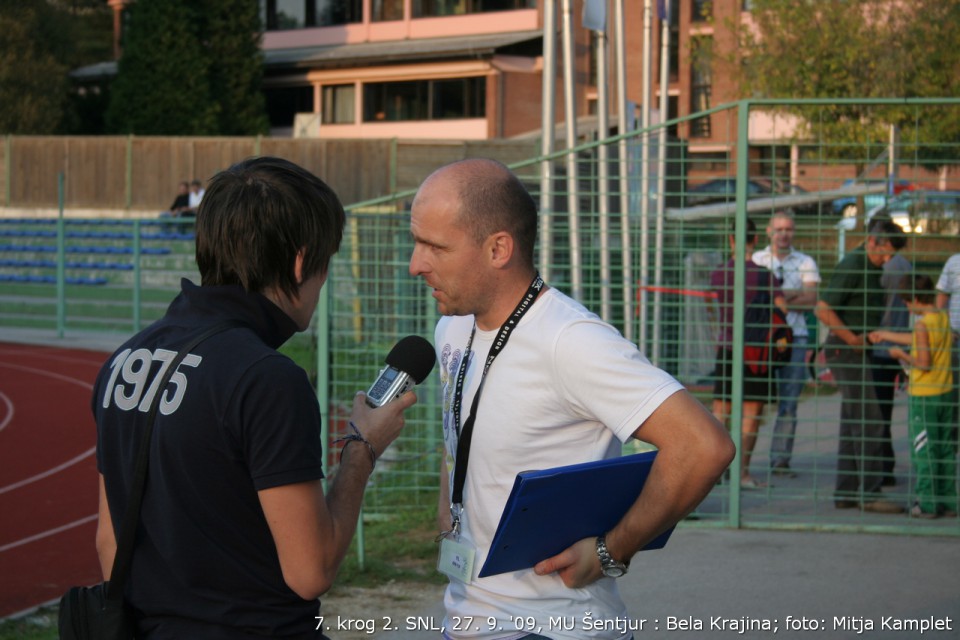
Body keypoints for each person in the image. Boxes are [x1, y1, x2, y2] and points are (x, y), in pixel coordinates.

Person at [408, 158, 734, 640]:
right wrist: (450, 503)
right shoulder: (453, 324)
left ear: (499, 248)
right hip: (468, 617)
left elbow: (704, 446)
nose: (416, 264)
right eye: (416, 242)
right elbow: (464, 431)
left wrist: (612, 551)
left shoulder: (570, 340)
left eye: (435, 246)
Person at [94, 156, 417, 638]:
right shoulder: (267, 379)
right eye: (325, 264)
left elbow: (109, 545)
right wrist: (361, 451)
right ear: (301, 261)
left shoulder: (126, 359)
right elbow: (311, 571)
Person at [814, 217, 906, 514]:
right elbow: (823, 309)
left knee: (855, 419)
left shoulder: (873, 265)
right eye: (885, 252)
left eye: (892, 254)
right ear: (871, 241)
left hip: (860, 350)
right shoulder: (853, 265)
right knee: (870, 419)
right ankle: (870, 491)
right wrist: (851, 337)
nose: (888, 259)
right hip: (846, 351)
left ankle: (847, 491)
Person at [868, 273, 956, 519]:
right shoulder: (940, 318)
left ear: (917, 298)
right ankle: (949, 501)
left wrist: (901, 356)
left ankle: (926, 504)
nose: (907, 306)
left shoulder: (921, 324)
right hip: (945, 392)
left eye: (908, 301)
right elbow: (921, 341)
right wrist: (886, 335)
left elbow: (923, 361)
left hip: (924, 395)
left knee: (923, 449)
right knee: (945, 448)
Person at [709, 217, 787, 490]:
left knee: (721, 410)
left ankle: (714, 471)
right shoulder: (765, 275)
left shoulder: (719, 274)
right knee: (752, 412)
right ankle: (741, 474)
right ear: (755, 240)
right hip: (757, 353)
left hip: (728, 348)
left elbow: (711, 309)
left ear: (731, 240)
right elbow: (783, 310)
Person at [752, 211, 821, 478]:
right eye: (779, 229)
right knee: (752, 401)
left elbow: (812, 299)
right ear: (769, 231)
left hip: (795, 338)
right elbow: (751, 297)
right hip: (759, 339)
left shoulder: (805, 262)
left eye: (788, 229)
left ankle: (780, 459)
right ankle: (740, 462)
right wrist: (792, 295)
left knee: (788, 401)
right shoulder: (757, 259)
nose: (783, 234)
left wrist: (775, 297)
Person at [871, 250, 913, 485]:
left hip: (882, 347)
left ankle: (883, 469)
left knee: (879, 412)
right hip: (900, 342)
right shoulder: (907, 265)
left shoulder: (885, 271)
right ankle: (886, 467)